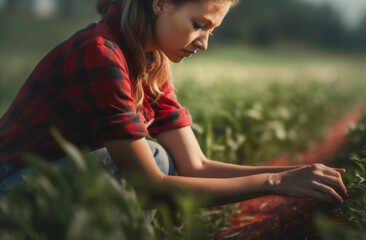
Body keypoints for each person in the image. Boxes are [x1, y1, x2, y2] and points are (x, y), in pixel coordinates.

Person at [0, 0, 347, 207]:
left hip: (42, 185)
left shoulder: (150, 61)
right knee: (154, 160)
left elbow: (196, 166)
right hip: (10, 186)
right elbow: (149, 184)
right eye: (199, 25)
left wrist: (290, 175)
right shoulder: (98, 54)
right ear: (161, 3)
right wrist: (274, 184)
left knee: (162, 159)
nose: (204, 43)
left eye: (211, 31)